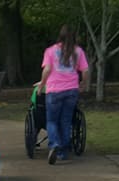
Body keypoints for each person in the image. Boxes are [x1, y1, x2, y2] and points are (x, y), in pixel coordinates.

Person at [38, 24, 89, 165]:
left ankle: (54, 144)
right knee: (66, 121)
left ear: (59, 36)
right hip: (72, 90)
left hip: (54, 90)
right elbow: (85, 71)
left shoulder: (50, 51)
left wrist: (42, 83)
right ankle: (63, 151)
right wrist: (83, 84)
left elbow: (47, 69)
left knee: (52, 121)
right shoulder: (78, 51)